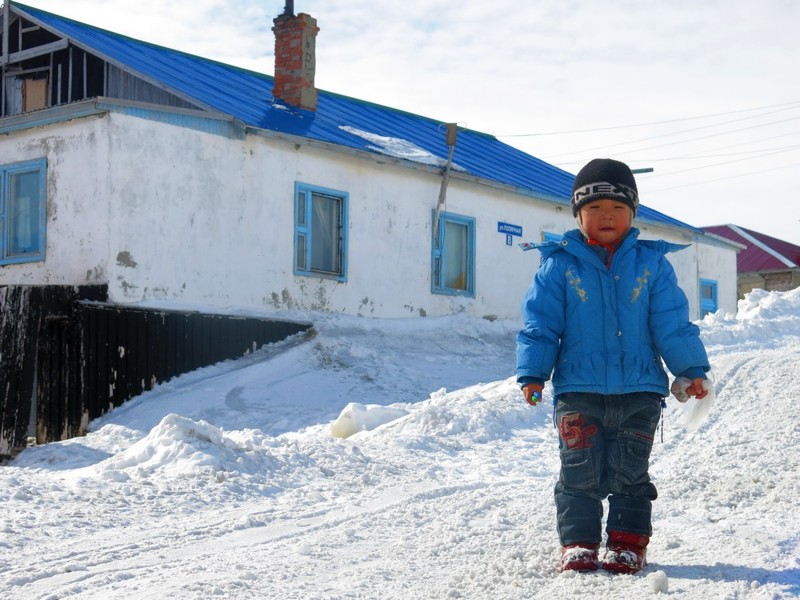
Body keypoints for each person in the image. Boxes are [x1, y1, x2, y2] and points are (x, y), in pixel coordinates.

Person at [516, 158, 710, 574]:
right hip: (578, 390)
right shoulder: (559, 266)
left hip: (639, 391)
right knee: (578, 472)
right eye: (595, 208)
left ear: (633, 214)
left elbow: (671, 324)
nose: (607, 216)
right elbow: (541, 326)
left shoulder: (652, 265)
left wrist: (690, 369)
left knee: (630, 472)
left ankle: (626, 543)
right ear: (578, 214)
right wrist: (532, 373)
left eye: (618, 208)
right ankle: (579, 542)